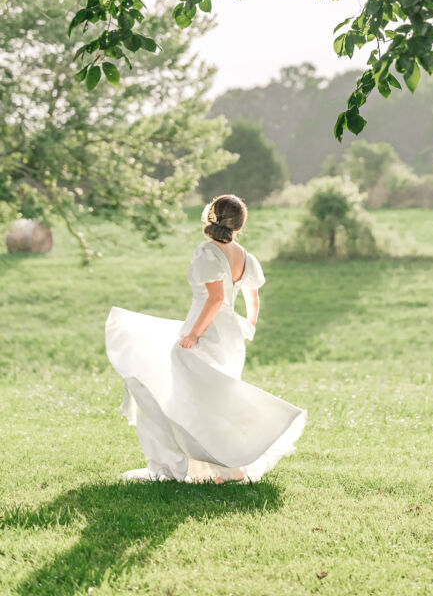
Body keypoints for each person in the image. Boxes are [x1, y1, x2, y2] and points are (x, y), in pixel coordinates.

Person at [105, 193, 306, 483]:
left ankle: (185, 465)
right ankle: (216, 467)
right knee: (212, 397)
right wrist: (248, 325)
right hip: (229, 335)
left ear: (211, 216)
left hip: (206, 330)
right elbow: (253, 297)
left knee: (181, 394)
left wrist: (194, 335)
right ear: (239, 224)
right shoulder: (244, 256)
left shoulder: (207, 253)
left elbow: (215, 298)